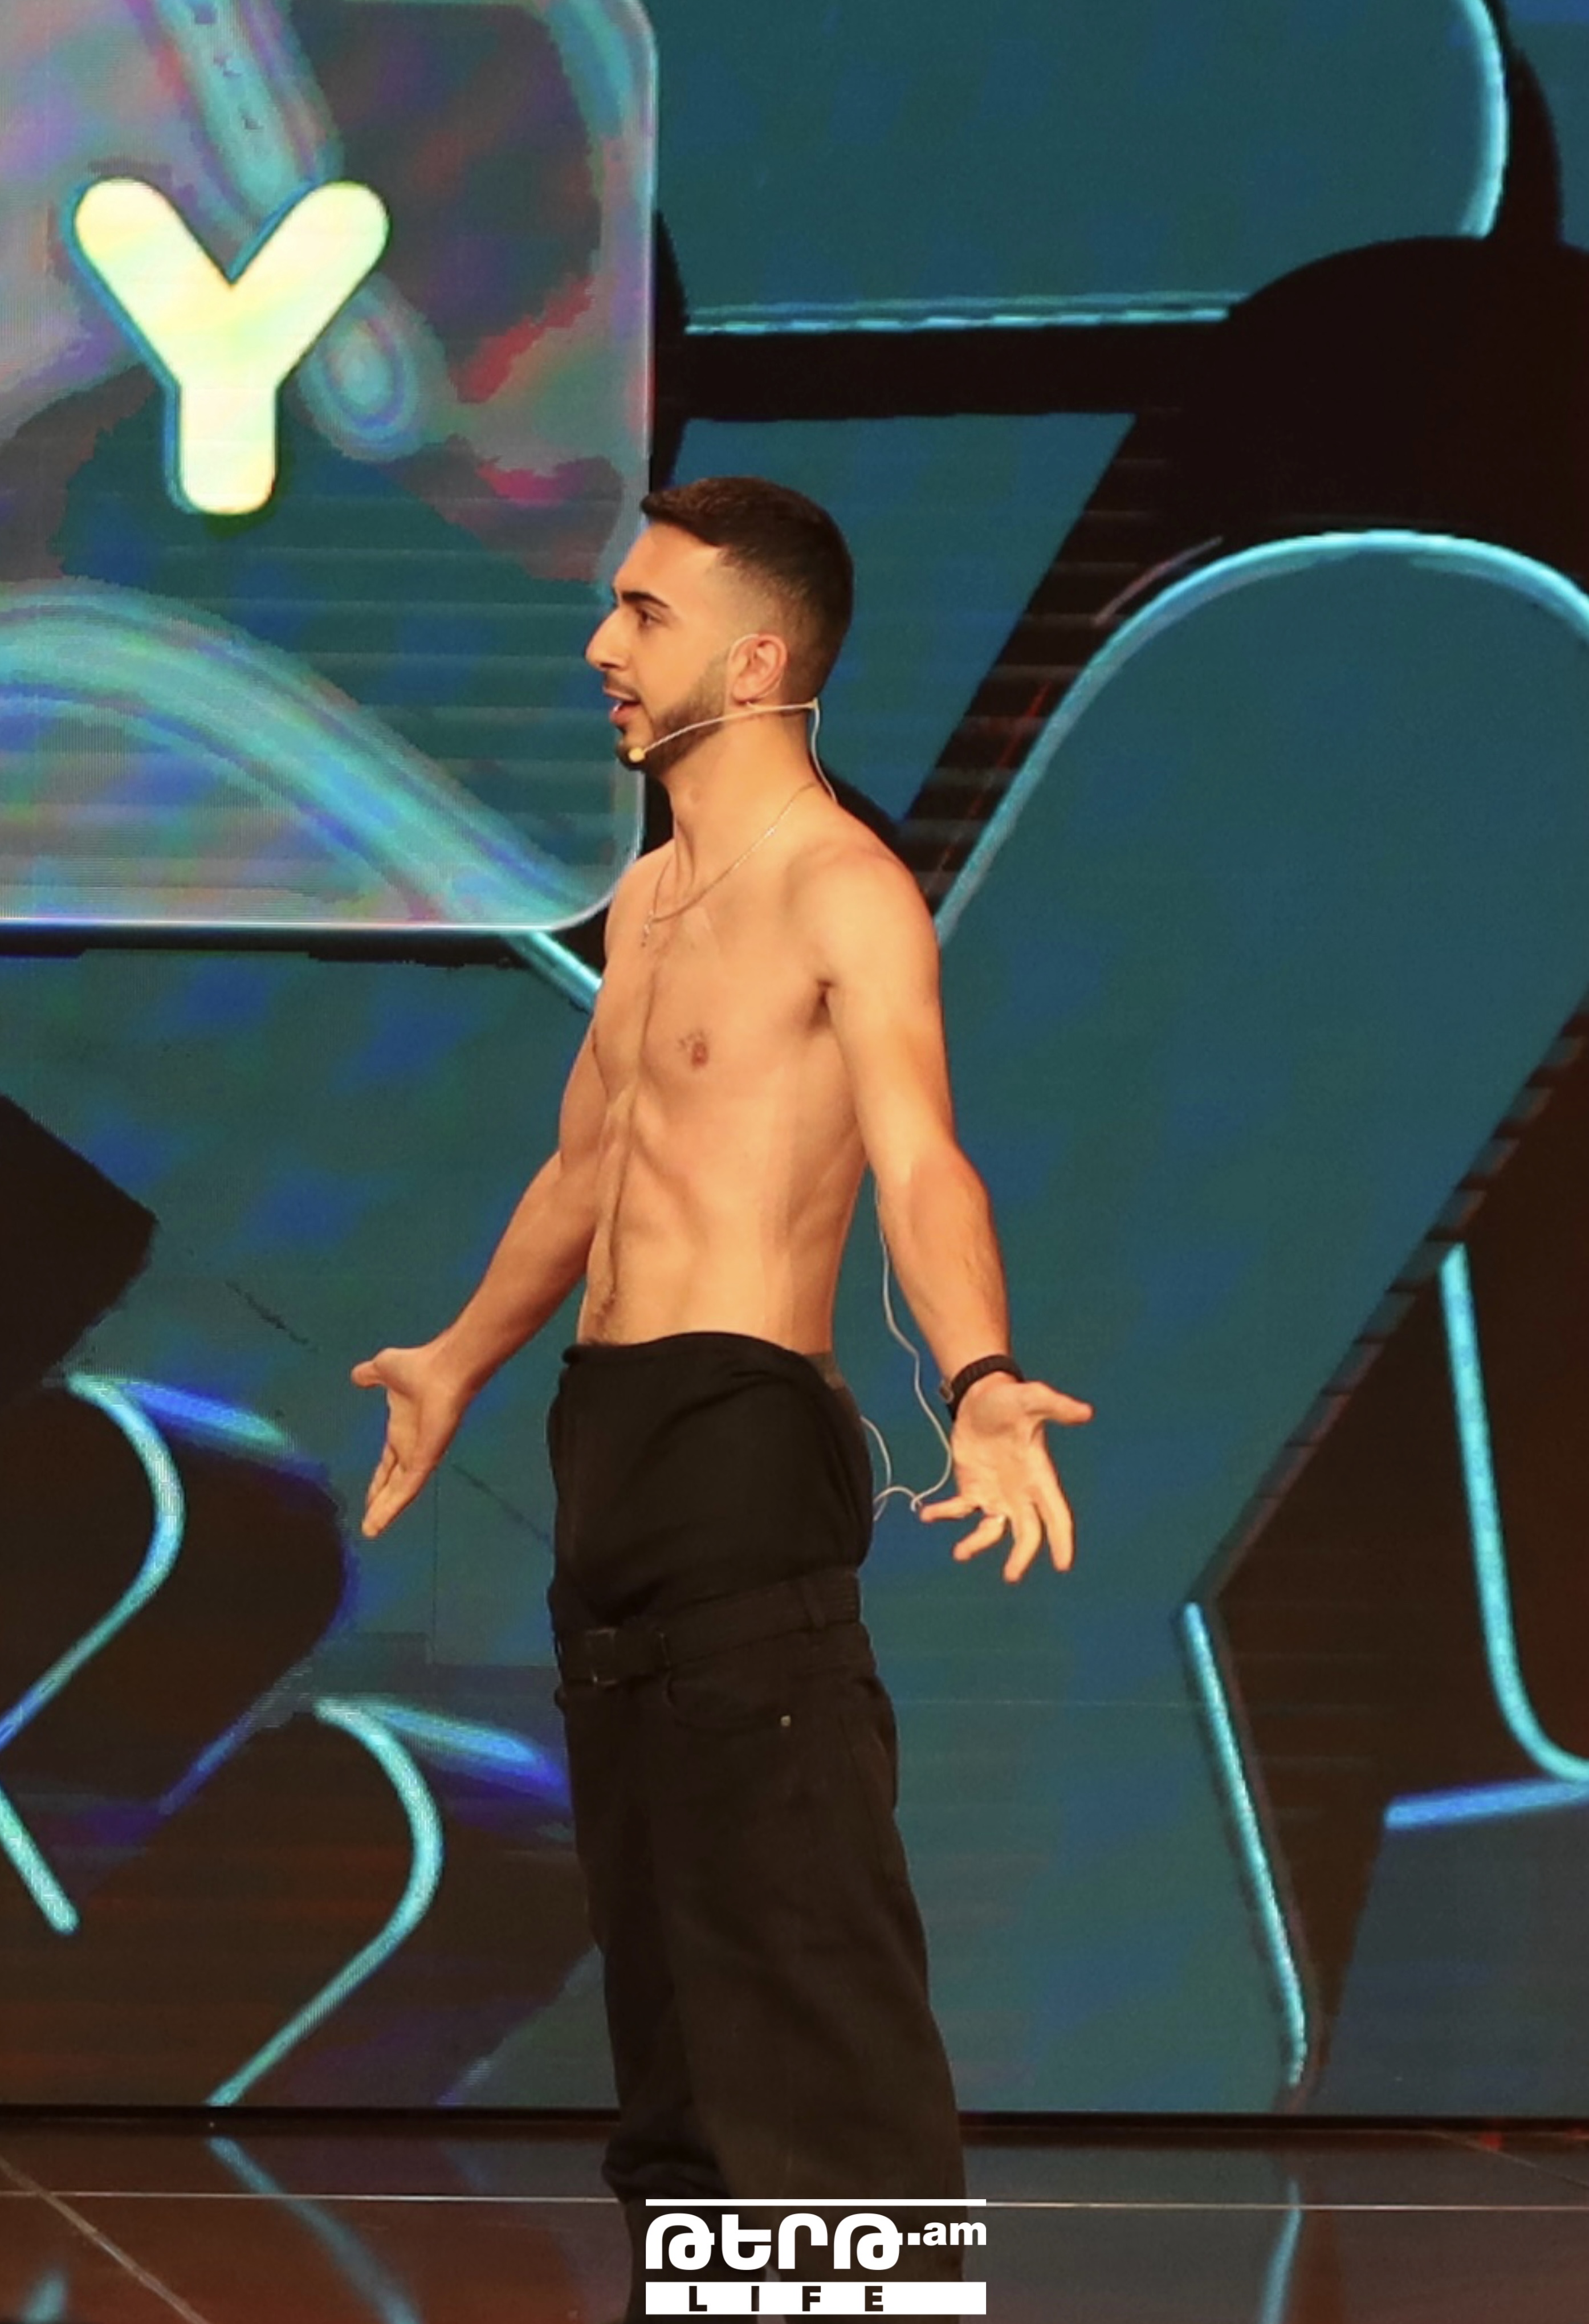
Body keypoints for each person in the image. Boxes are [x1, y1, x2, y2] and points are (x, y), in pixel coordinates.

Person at [353, 475, 1092, 2317]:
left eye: (644, 615)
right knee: (669, 1965)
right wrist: (456, 1357)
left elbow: (920, 1157)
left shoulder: (839, 886)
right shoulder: (651, 894)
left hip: (741, 1435)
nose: (602, 646)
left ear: (757, 661)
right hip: (608, 1447)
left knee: (793, 1940)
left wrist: (980, 1374)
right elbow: (585, 1168)